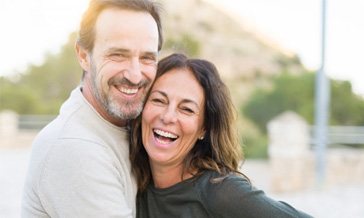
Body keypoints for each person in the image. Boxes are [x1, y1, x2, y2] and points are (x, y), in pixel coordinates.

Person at [21, 0, 163, 217]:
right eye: (118, 55)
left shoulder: (136, 127)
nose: (135, 75)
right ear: (83, 55)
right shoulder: (73, 147)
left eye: (147, 58)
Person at [130, 53, 313, 218]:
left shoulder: (221, 192)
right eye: (159, 100)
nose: (168, 116)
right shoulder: (130, 181)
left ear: (204, 128)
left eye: (186, 109)